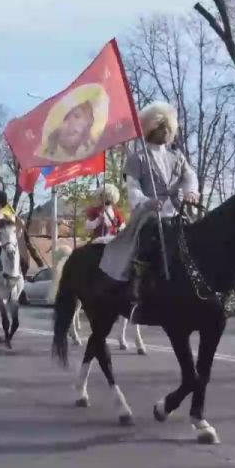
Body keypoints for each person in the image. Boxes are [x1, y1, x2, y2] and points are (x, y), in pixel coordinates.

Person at [99, 101, 200, 316]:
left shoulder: (176, 156)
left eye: (168, 128)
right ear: (150, 129)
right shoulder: (137, 159)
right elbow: (133, 189)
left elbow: (189, 176)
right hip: (149, 214)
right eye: (161, 127)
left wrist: (191, 192)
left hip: (175, 212)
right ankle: (136, 284)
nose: (165, 132)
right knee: (148, 236)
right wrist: (146, 201)